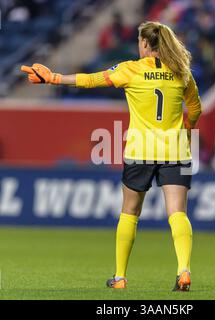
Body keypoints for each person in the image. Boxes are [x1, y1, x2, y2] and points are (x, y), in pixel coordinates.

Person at [20, 21, 202, 291]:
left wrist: (54, 78)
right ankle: (184, 270)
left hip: (140, 150)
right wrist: (187, 130)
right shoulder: (182, 72)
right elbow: (196, 109)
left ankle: (119, 277)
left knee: (129, 212)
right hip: (176, 150)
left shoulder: (130, 70)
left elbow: (92, 80)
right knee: (177, 213)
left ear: (144, 44)